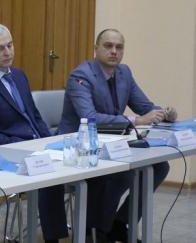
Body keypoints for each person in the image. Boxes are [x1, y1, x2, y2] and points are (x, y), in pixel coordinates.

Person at [57, 28, 177, 242]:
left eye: (119, 47)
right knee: (123, 172)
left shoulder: (124, 73)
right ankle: (97, 232)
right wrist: (136, 121)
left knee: (159, 166)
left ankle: (120, 223)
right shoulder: (81, 76)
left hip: (112, 142)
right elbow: (89, 117)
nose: (114, 51)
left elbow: (145, 107)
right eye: (108, 46)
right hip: (79, 147)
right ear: (96, 48)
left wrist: (165, 114)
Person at [0, 23, 68, 243]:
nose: (8, 52)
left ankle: (91, 230)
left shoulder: (18, 76)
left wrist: (49, 141)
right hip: (4, 155)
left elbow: (34, 116)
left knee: (82, 169)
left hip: (34, 148)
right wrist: (23, 147)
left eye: (10, 45)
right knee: (49, 174)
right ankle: (54, 238)